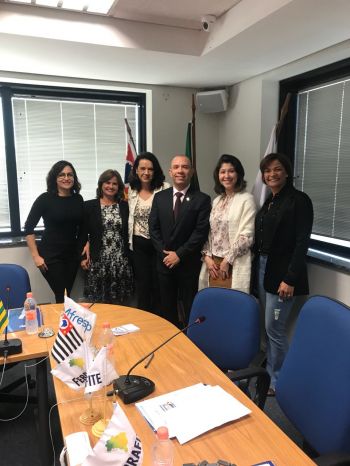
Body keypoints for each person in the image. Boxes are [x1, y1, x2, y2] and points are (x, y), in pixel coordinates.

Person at [254, 152, 313, 394]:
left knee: (274, 328)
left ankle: (278, 380)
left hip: (284, 275)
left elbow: (302, 242)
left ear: (286, 172)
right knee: (267, 327)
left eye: (277, 169)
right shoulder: (271, 200)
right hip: (264, 268)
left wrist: (290, 279)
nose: (271, 174)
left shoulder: (299, 200)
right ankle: (269, 370)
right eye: (267, 171)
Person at [149, 155, 211, 327]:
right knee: (166, 308)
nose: (180, 171)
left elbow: (200, 232)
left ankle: (191, 343)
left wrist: (179, 255)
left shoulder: (202, 199)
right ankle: (172, 342)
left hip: (188, 264)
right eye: (176, 167)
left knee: (191, 307)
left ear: (191, 171)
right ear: (170, 172)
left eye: (185, 167)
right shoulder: (159, 197)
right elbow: (153, 229)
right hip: (164, 263)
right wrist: (166, 255)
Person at [24, 160, 84, 303]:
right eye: (61, 175)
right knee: (61, 294)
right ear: (55, 179)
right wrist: (35, 256)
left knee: (66, 294)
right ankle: (63, 324)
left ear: (74, 178)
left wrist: (84, 246)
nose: (66, 178)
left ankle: (65, 323)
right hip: (51, 256)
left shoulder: (78, 199)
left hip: (72, 255)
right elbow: (28, 228)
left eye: (70, 175)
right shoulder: (45, 199)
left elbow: (83, 227)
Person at [199, 154, 256, 293]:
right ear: (218, 175)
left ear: (238, 174)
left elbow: (247, 236)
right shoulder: (217, 200)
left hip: (232, 263)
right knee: (211, 304)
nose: (227, 175)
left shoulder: (246, 199)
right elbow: (209, 232)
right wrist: (206, 257)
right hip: (213, 264)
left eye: (231, 171)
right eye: (222, 172)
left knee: (232, 306)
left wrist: (227, 260)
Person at [80, 169, 133, 304]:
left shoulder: (125, 206)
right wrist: (82, 257)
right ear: (101, 184)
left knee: (120, 303)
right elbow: (81, 234)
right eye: (107, 182)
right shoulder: (89, 206)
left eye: (114, 184)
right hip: (98, 261)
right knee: (99, 303)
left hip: (120, 261)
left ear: (119, 187)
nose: (110, 186)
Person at [128, 152, 170, 313]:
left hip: (160, 245)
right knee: (143, 287)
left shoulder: (165, 188)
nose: (146, 172)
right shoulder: (131, 191)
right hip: (139, 247)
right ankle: (144, 322)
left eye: (150, 169)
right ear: (136, 171)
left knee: (160, 286)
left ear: (155, 171)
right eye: (142, 169)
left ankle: (161, 323)